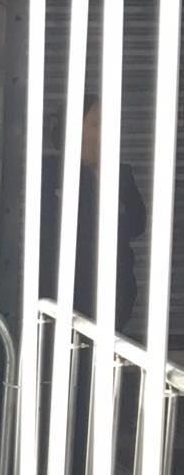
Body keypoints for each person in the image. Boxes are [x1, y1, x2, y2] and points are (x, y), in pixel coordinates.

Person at [40, 94, 147, 332]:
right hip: (62, 292)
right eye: (96, 124)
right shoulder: (50, 172)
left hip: (113, 292)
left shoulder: (120, 175)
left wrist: (102, 178)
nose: (104, 132)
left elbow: (138, 224)